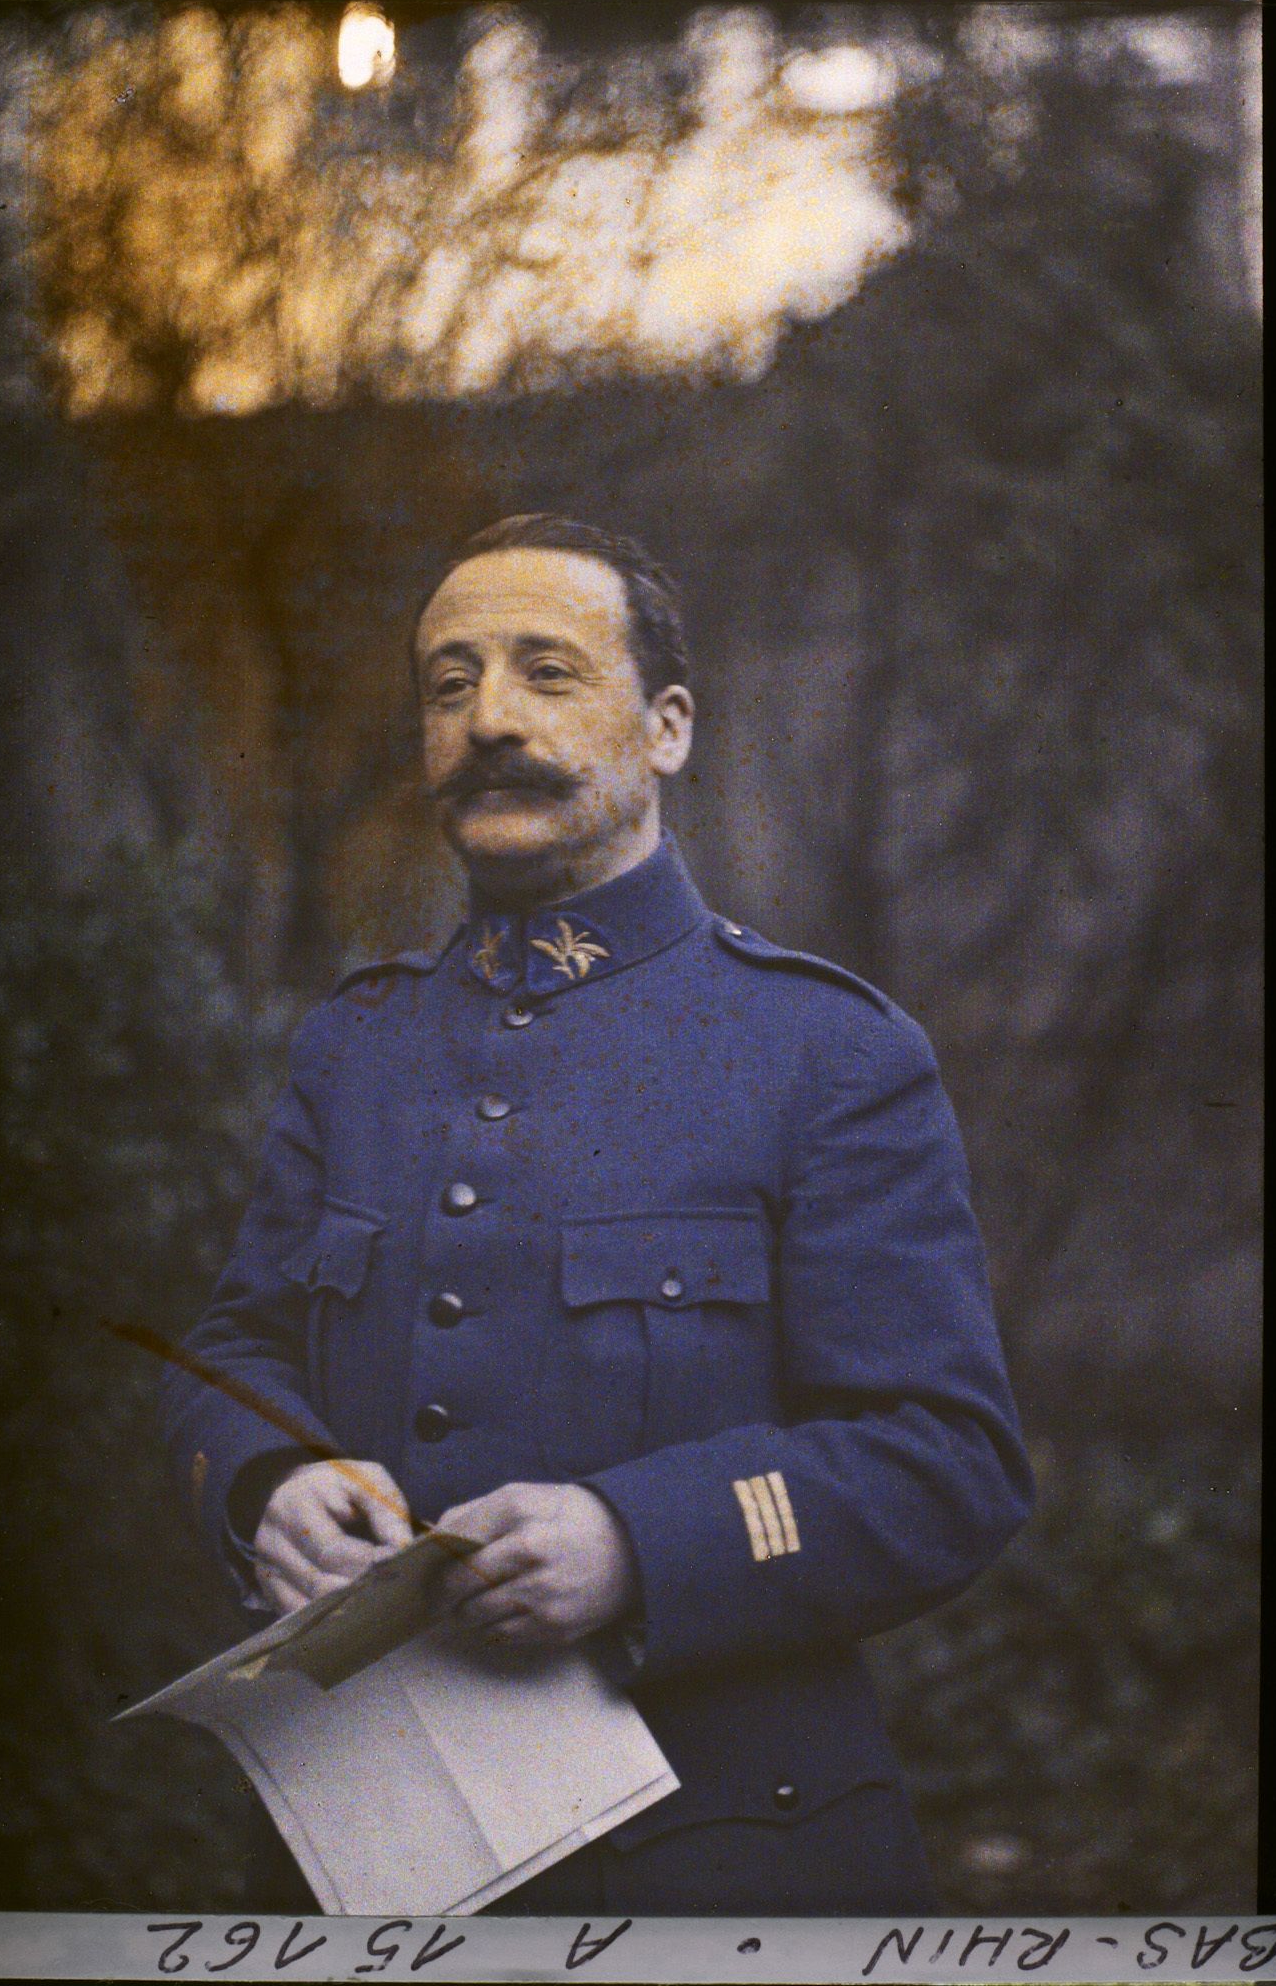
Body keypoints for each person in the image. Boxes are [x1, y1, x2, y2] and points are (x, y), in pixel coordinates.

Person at [160, 513, 1033, 1914]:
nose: (487, 718)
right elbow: (234, 1348)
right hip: (362, 1865)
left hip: (721, 1871)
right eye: (448, 685)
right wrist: (269, 1481)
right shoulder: (355, 1051)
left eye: (545, 672)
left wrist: (639, 1542)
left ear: (667, 728)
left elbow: (951, 1463)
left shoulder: (825, 1053)